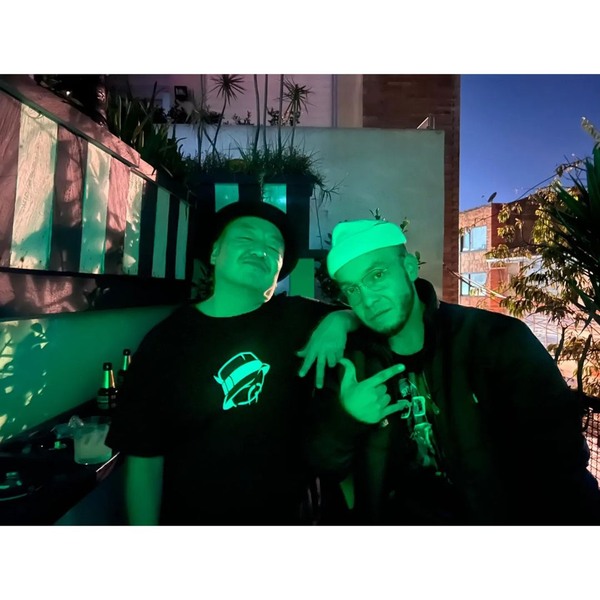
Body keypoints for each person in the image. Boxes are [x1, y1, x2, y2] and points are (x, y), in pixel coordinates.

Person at [309, 218, 600, 525]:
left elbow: (561, 461)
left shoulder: (495, 340)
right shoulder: (352, 363)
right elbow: (321, 463)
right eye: (353, 289)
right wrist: (347, 417)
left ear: (409, 267)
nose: (367, 300)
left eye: (377, 275)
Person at [106, 201, 357, 525]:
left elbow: (371, 318)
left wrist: (341, 320)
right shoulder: (166, 341)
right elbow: (144, 458)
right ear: (214, 254)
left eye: (273, 247)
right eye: (246, 238)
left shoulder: (300, 318)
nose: (261, 250)